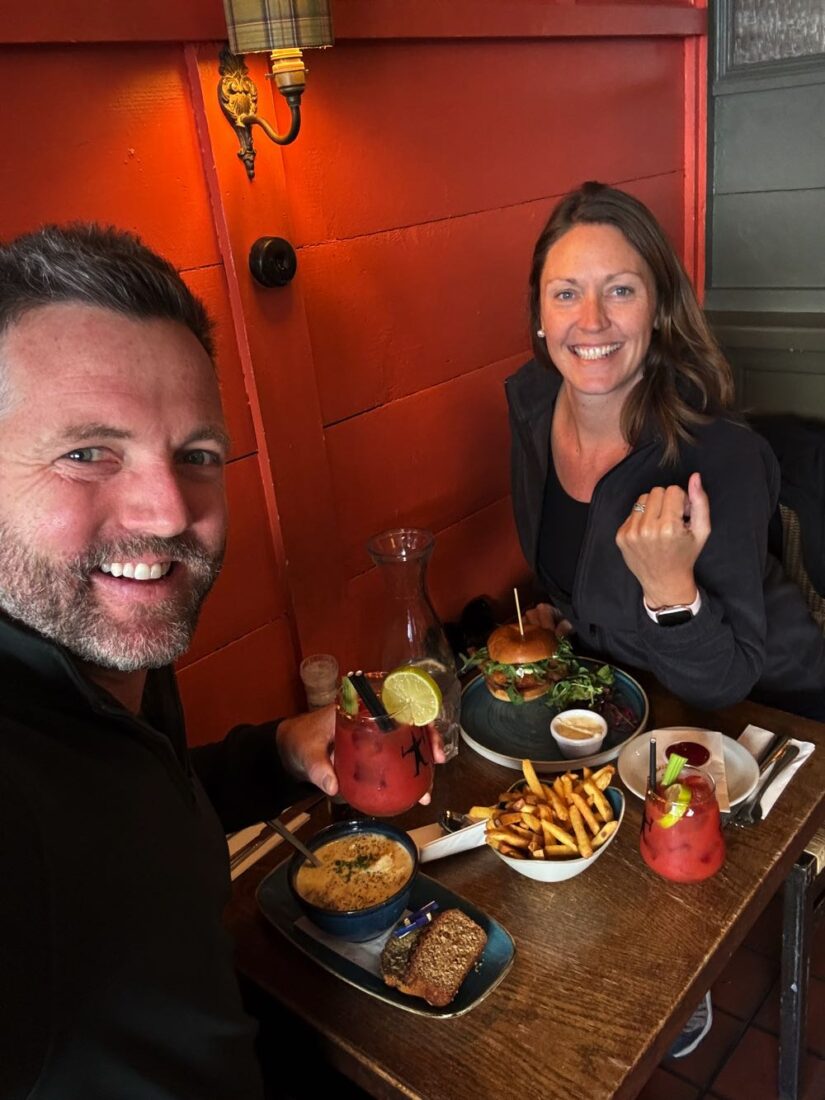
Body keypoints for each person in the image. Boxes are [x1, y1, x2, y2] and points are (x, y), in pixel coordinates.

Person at [0, 224, 438, 1100]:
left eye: (198, 455)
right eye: (88, 452)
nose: (166, 512)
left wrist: (274, 751)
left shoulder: (104, 667)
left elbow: (131, 800)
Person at [506, 181, 825, 720]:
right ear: (539, 315)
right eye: (565, 293)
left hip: (774, 718)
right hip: (639, 707)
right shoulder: (534, 406)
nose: (591, 320)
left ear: (658, 309)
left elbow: (726, 679)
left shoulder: (718, 453)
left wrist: (670, 593)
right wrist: (570, 613)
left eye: (620, 290)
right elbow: (577, 563)